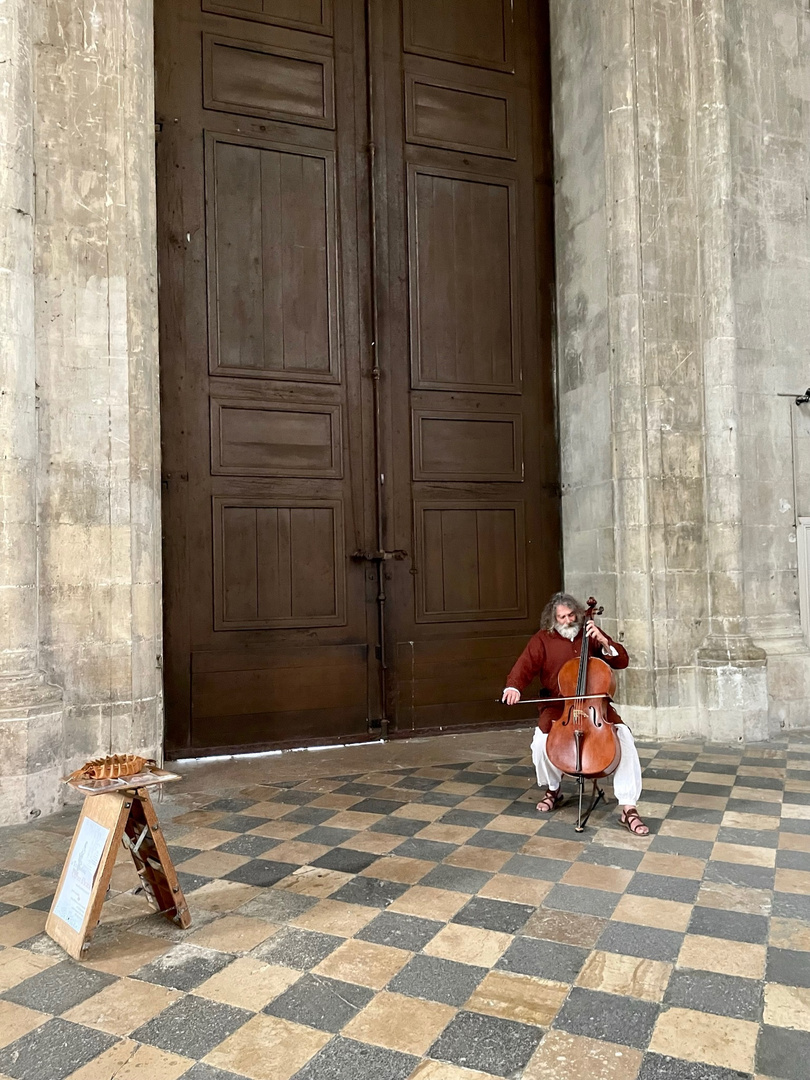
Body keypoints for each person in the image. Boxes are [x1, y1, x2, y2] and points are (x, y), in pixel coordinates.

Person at [502, 592, 649, 835]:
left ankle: (628, 807)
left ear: (578, 613)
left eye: (572, 615)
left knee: (624, 737)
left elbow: (621, 661)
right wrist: (513, 687)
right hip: (559, 706)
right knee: (540, 743)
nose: (568, 621)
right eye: (562, 617)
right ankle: (553, 789)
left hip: (595, 707)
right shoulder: (542, 639)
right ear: (553, 619)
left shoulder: (589, 634)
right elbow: (524, 665)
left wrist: (604, 642)